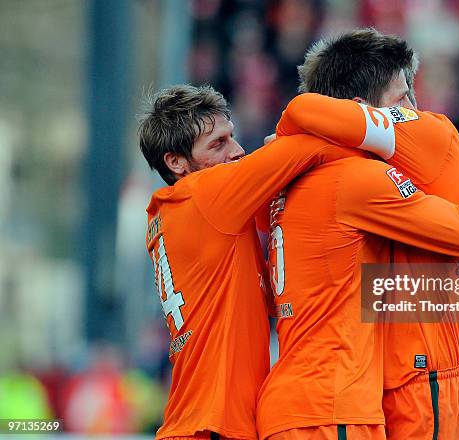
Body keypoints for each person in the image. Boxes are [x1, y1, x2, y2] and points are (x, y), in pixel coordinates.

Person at [255, 31, 459, 440]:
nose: (415, 110)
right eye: (402, 99)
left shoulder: (287, 176)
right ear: (360, 113)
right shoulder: (361, 179)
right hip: (394, 388)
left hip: (328, 390)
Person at [139, 84, 369, 440]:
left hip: (197, 419)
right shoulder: (206, 194)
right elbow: (310, 146)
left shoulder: (176, 212)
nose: (238, 151)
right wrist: (368, 117)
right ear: (175, 162)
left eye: (233, 137)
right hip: (213, 424)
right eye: (218, 144)